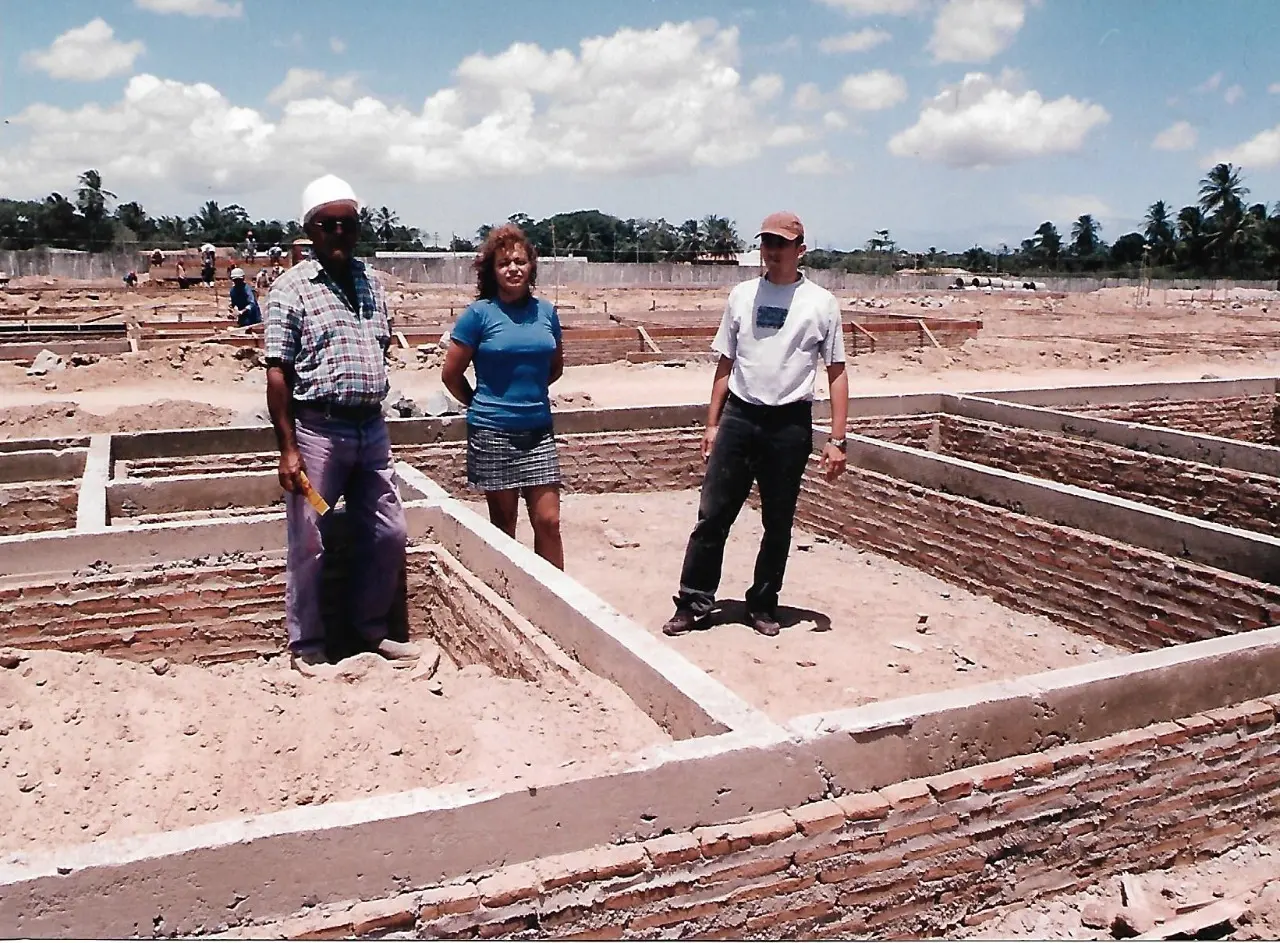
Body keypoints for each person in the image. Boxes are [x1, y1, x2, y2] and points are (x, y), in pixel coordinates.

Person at [661, 211, 849, 639]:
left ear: (801, 250)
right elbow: (725, 363)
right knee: (713, 515)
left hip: (789, 424)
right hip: (740, 417)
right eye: (767, 242)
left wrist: (838, 439)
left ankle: (763, 603)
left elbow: (836, 372)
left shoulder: (820, 303)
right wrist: (712, 424)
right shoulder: (742, 296)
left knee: (778, 522)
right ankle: (693, 603)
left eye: (782, 243)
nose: (773, 251)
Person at [264, 174, 415, 671]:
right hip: (319, 432)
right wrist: (288, 449)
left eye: (348, 224)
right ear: (311, 230)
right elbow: (278, 372)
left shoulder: (370, 282)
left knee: (389, 531)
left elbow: (380, 345)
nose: (339, 233)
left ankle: (371, 629)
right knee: (310, 538)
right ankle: (307, 644)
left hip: (370, 429)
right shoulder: (291, 289)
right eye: (328, 225)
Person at [441, 224, 565, 569]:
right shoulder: (479, 315)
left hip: (538, 432)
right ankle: (509, 593)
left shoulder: (546, 313)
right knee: (504, 527)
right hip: (493, 433)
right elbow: (451, 374)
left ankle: (554, 594)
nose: (513, 268)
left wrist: (530, 395)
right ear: (492, 271)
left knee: (549, 522)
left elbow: (555, 367)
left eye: (520, 261)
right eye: (504, 263)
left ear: (531, 266)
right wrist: (482, 403)